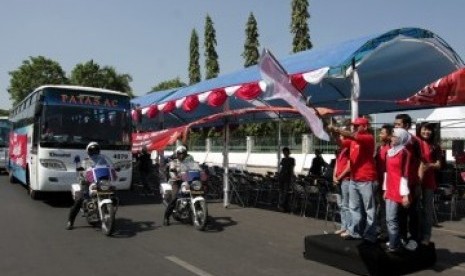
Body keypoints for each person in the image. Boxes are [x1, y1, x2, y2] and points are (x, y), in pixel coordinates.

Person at [327, 117, 378, 243]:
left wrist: (337, 129)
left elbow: (351, 135)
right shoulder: (353, 141)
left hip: (366, 178)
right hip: (355, 178)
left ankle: (370, 234)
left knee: (369, 208)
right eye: (353, 126)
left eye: (357, 125)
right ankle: (354, 231)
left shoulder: (368, 138)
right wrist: (333, 133)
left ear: (365, 127)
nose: (354, 127)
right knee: (353, 207)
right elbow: (340, 143)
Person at [66, 142, 113, 230]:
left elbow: (108, 167)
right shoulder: (85, 161)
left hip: (100, 182)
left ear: (98, 151)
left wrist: (113, 169)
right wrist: (81, 172)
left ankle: (106, 213)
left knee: (112, 192)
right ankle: (70, 221)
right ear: (88, 151)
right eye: (92, 150)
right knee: (80, 199)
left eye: (96, 150)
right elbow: (81, 172)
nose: (94, 152)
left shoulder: (102, 159)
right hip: (87, 183)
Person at [394, 113, 421, 242]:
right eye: (395, 125)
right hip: (398, 182)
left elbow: (421, 162)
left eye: (398, 125)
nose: (396, 127)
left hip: (411, 182)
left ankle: (415, 238)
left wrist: (417, 183)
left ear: (407, 126)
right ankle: (402, 237)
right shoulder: (395, 141)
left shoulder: (414, 141)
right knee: (400, 213)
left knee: (412, 212)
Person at [383, 128, 411, 252]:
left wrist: (405, 195)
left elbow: (405, 174)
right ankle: (394, 240)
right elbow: (387, 172)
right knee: (389, 218)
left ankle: (394, 244)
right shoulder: (389, 152)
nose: (392, 138)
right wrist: (385, 189)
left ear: (401, 139)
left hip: (398, 189)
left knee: (392, 218)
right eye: (393, 136)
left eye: (395, 136)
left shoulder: (404, 153)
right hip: (390, 188)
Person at [417, 123, 443, 245]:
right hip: (415, 180)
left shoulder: (435, 146)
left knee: (427, 210)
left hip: (428, 181)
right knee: (416, 209)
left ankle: (426, 236)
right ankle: (416, 234)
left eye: (429, 130)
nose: (427, 132)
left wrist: (429, 165)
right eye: (424, 129)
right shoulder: (415, 142)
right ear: (420, 130)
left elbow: (439, 164)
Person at [163, 145, 194, 226]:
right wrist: (175, 176)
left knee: (198, 192)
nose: (182, 155)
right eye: (180, 153)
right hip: (176, 182)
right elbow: (171, 171)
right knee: (175, 198)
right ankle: (166, 217)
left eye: (183, 153)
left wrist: (201, 172)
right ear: (177, 154)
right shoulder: (174, 162)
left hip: (187, 181)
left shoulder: (189, 162)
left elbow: (195, 169)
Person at [375, 124, 394, 240]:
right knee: (381, 207)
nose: (380, 135)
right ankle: (382, 230)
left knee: (386, 209)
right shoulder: (379, 148)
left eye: (382, 133)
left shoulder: (391, 149)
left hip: (387, 183)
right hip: (378, 181)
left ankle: (386, 233)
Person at [332, 137, 351, 236]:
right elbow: (336, 164)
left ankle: (348, 228)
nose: (339, 140)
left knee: (346, 205)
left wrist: (339, 177)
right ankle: (343, 226)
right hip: (339, 180)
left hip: (345, 180)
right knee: (341, 205)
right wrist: (334, 176)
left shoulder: (348, 150)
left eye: (341, 138)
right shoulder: (339, 151)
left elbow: (349, 166)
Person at [278, 147, 295, 212]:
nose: (284, 153)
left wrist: (292, 176)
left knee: (286, 192)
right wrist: (279, 174)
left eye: (285, 152)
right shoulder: (283, 159)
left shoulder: (292, 159)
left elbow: (291, 168)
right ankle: (281, 206)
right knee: (281, 192)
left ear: (288, 152)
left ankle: (283, 206)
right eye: (283, 152)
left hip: (287, 178)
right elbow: (281, 168)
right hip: (282, 177)